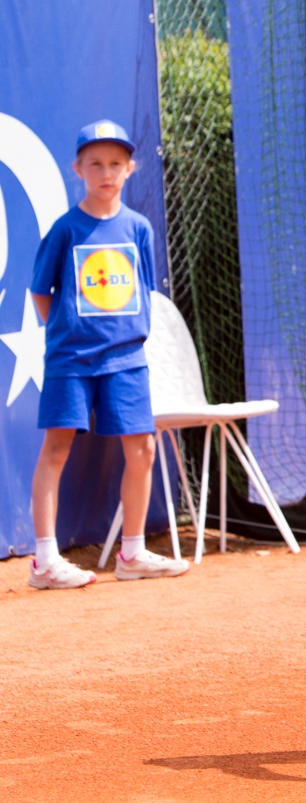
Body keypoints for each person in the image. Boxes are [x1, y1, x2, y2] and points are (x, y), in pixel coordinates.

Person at [27, 120, 191, 589]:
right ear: (77, 169)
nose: (106, 172)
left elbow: (142, 289)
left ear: (130, 169)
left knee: (143, 448)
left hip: (127, 360)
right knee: (56, 448)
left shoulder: (139, 228)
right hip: (72, 361)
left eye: (115, 164)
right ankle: (44, 562)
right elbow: (41, 292)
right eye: (95, 164)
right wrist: (70, 333)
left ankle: (132, 554)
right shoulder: (65, 229)